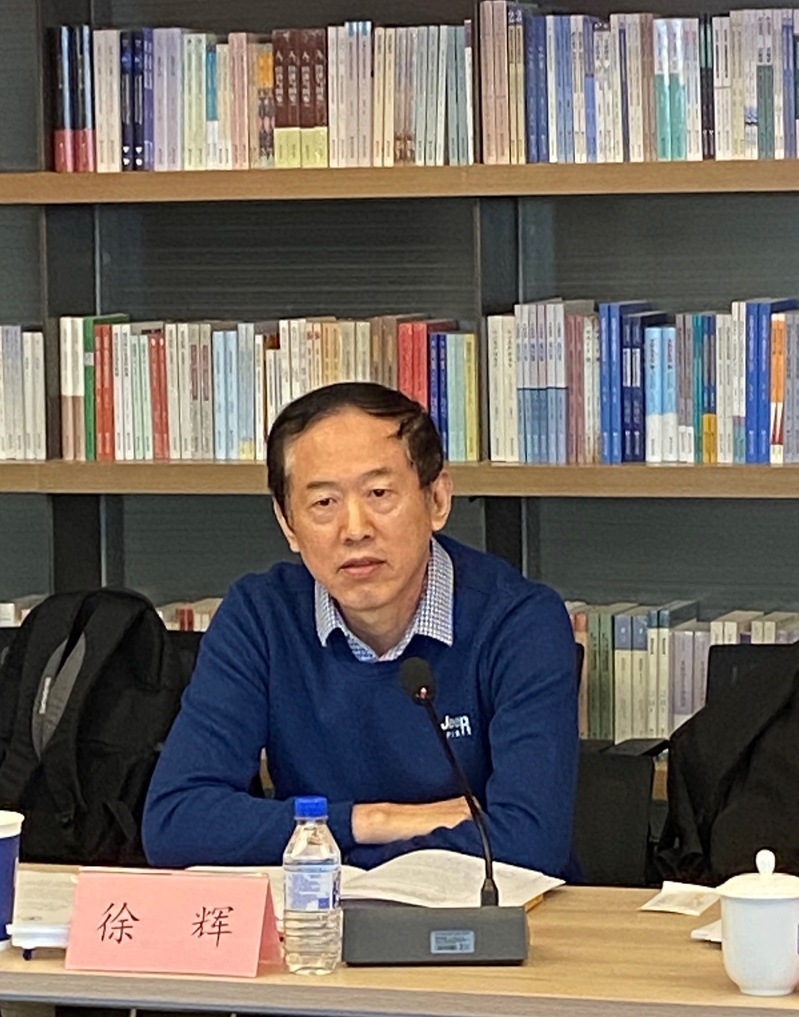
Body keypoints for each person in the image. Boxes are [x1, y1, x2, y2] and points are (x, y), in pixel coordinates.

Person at [143, 382, 579, 875]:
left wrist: (321, 847)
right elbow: (175, 824)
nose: (354, 529)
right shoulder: (260, 618)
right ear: (288, 524)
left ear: (437, 499)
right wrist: (372, 821)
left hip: (488, 917)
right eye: (324, 503)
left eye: (379, 494)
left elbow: (529, 843)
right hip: (319, 914)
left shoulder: (520, 622)